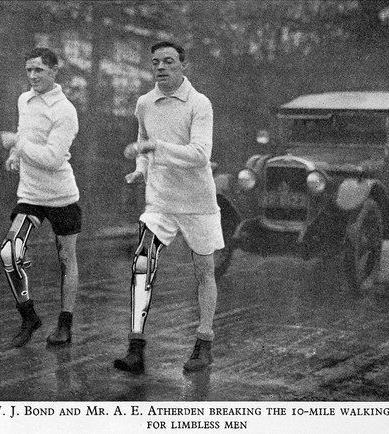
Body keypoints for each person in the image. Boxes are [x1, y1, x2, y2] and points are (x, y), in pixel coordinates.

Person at [114, 41, 224, 373]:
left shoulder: (200, 104)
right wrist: (141, 170)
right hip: (160, 200)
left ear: (183, 66)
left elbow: (200, 155)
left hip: (197, 202)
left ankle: (203, 344)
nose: (161, 67)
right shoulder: (145, 102)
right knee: (142, 261)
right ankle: (135, 347)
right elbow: (144, 140)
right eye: (156, 62)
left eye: (169, 61)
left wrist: (155, 148)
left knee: (204, 272)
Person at [0, 47, 81, 348]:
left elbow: (53, 158)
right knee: (10, 252)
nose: (32, 76)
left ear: (54, 71)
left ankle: (65, 325)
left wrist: (17, 142)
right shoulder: (25, 99)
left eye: (39, 70)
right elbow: (25, 133)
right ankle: (28, 316)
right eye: (29, 70)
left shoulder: (65, 111)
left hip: (61, 195)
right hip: (30, 194)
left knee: (66, 259)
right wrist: (14, 154)